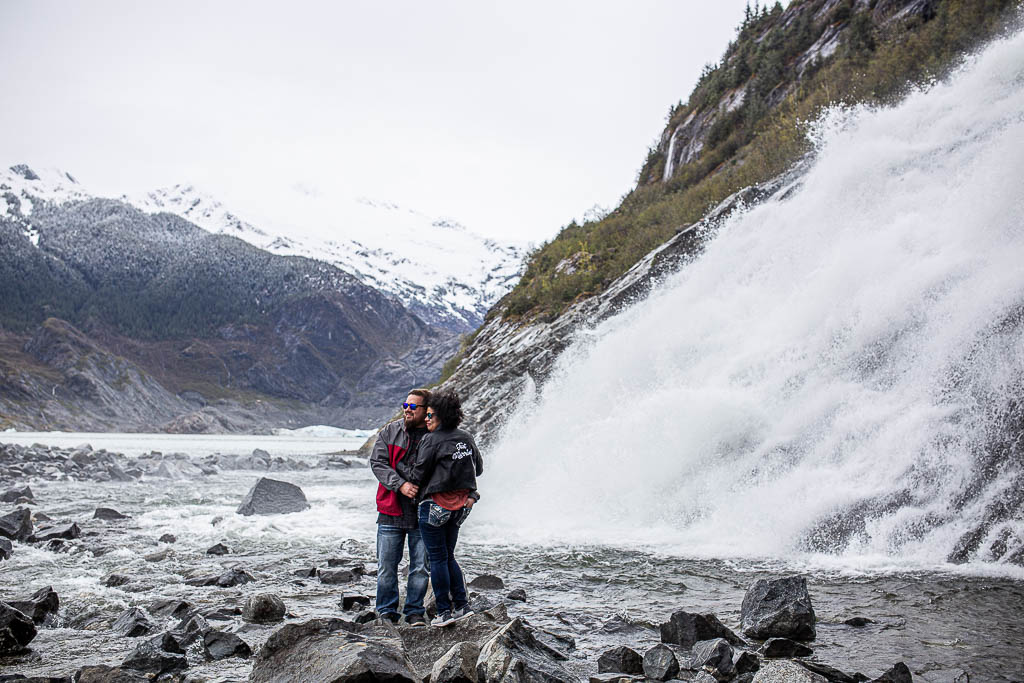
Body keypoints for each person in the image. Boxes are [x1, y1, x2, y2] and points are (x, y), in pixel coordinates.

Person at [407, 389, 483, 627]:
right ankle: (462, 606)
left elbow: (418, 474)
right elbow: (478, 469)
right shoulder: (466, 438)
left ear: (441, 416)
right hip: (460, 508)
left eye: (430, 415)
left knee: (437, 559)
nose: (426, 419)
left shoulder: (431, 440)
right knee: (449, 556)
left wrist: (403, 476)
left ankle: (444, 612)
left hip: (434, 506)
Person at [369, 389, 431, 626]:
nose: (407, 409)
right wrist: (401, 485)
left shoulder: (435, 434)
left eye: (414, 406)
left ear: (426, 410)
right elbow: (377, 462)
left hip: (423, 511)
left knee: (420, 568)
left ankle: (415, 611)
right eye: (406, 405)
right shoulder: (391, 431)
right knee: (386, 566)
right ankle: (386, 611)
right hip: (390, 509)